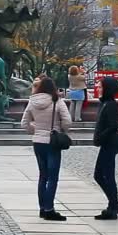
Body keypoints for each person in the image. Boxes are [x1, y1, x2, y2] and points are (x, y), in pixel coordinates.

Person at [21, 77, 71, 221]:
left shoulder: (32, 101)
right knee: (53, 177)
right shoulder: (57, 101)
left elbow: (24, 123)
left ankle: (42, 208)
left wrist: (34, 130)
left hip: (38, 141)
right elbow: (67, 121)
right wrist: (60, 129)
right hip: (52, 141)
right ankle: (49, 208)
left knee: (43, 176)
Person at [93, 76, 118, 220]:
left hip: (109, 144)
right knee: (100, 175)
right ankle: (114, 204)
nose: (98, 89)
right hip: (106, 144)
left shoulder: (110, 104)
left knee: (106, 176)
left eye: (100, 86)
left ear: (107, 88)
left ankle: (113, 208)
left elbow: (112, 126)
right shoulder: (105, 103)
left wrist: (100, 137)